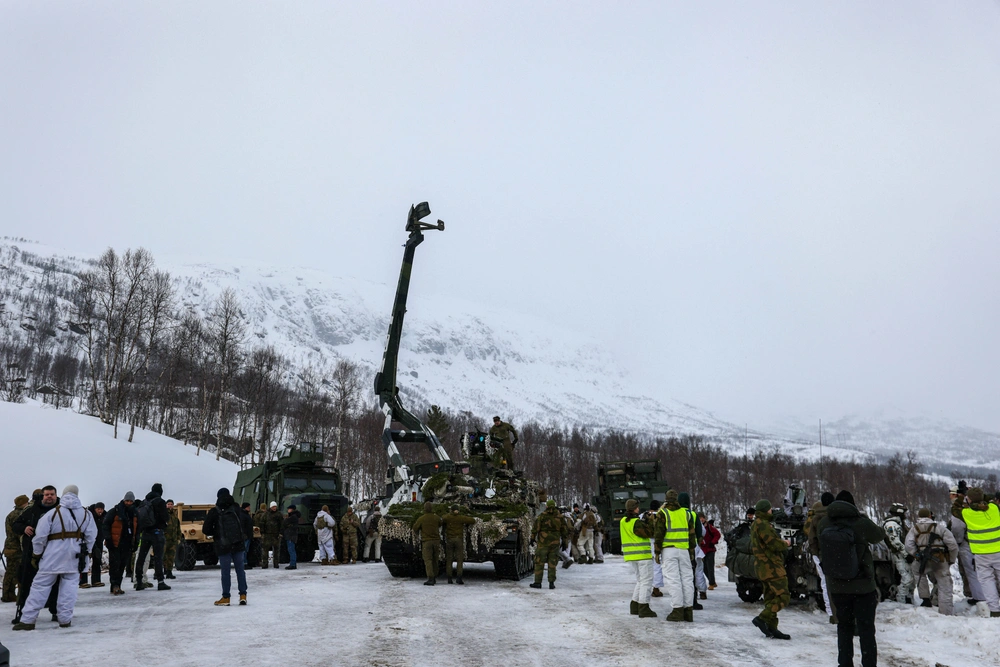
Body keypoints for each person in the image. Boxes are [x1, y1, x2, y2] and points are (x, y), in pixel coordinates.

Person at [13, 485, 98, 630]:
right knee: (69, 589)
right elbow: (91, 536)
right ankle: (64, 619)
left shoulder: (52, 514)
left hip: (51, 557)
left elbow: (39, 538)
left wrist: (37, 554)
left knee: (39, 587)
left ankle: (28, 620)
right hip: (75, 557)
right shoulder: (86, 514)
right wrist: (86, 552)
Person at [818, 490, 885, 667]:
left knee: (844, 627)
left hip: (837, 586)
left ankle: (844, 663)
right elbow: (879, 535)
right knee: (866, 629)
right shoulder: (860, 523)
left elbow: (820, 548)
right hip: (863, 586)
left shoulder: (823, 523)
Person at [12, 487, 60, 624]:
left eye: (52, 494)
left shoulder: (62, 510)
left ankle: (56, 611)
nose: (49, 497)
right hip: (31, 553)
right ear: (42, 496)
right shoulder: (32, 511)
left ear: (56, 496)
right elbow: (16, 525)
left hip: (54, 554)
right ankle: (23, 612)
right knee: (27, 583)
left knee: (56, 584)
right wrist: (24, 528)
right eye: (46, 495)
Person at [203, 488, 253, 606]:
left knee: (225, 572)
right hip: (238, 544)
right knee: (240, 570)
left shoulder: (215, 511)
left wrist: (216, 533)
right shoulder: (237, 509)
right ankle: (243, 595)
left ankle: (226, 597)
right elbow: (246, 523)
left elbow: (206, 530)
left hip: (223, 545)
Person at [749, 499, 790, 639]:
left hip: (762, 567)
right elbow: (773, 544)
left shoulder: (756, 524)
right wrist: (785, 543)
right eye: (770, 509)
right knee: (783, 596)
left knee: (770, 597)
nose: (772, 511)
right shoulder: (763, 525)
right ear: (766, 510)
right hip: (772, 567)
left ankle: (772, 628)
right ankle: (762, 618)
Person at [905, 507, 957, 615]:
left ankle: (925, 599)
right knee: (944, 584)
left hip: (923, 560)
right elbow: (953, 545)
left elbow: (908, 545)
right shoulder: (940, 528)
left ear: (919, 517)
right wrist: (951, 560)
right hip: (940, 560)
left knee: (918, 573)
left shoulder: (914, 529)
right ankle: (946, 611)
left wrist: (917, 554)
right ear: (930, 516)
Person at [654, 489, 695, 622]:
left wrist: (657, 551)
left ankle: (677, 610)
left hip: (669, 550)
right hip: (684, 550)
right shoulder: (685, 513)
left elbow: (659, 534)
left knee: (673, 580)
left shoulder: (663, 513)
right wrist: (692, 551)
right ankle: (688, 611)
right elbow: (691, 534)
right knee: (687, 579)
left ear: (666, 499)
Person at [959, 487, 1000, 617]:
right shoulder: (994, 509)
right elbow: (989, 498)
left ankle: (994, 610)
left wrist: (963, 495)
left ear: (969, 500)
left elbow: (954, 509)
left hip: (981, 554)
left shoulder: (966, 513)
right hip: (998, 550)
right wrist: (978, 495)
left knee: (987, 581)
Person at [948, 486, 986, 607]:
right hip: (986, 543)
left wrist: (957, 543)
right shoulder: (987, 507)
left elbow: (957, 528)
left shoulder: (962, 509)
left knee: (971, 571)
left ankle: (978, 597)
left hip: (968, 543)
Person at [804, 491, 837, 622]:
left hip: (821, 554)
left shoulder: (815, 517)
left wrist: (815, 554)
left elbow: (811, 538)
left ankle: (831, 612)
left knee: (825, 583)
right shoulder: (836, 515)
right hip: (837, 553)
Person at [620, 499, 656, 617]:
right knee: (646, 581)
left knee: (640, 580)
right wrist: (650, 521)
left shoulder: (623, 521)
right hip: (642, 555)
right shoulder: (636, 522)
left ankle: (634, 605)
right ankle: (644, 607)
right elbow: (650, 533)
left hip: (631, 555)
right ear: (635, 508)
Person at [134, 483, 170, 591]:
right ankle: (160, 581)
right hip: (157, 532)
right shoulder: (160, 501)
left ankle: (139, 581)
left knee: (141, 557)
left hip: (145, 533)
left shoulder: (144, 502)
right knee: (158, 558)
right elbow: (165, 517)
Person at [103, 492, 137, 595]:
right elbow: (105, 525)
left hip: (126, 543)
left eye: (131, 501)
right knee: (115, 565)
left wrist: (135, 542)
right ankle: (115, 585)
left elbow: (137, 529)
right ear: (123, 500)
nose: (129, 503)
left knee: (122, 565)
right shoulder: (114, 511)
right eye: (127, 501)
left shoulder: (134, 514)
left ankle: (118, 585)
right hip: (115, 543)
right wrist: (108, 539)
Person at [530, 499, 567, 590]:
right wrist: (565, 542)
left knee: (539, 562)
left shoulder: (542, 516)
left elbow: (535, 528)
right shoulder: (560, 517)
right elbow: (564, 531)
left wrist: (532, 538)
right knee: (552, 563)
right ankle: (551, 583)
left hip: (543, 543)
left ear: (546, 506)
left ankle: (538, 582)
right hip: (555, 543)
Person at [881, 503, 914, 605]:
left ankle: (908, 599)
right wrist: (906, 554)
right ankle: (901, 600)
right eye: (904, 512)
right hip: (899, 556)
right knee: (907, 579)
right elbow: (895, 542)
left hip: (904, 555)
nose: (905, 514)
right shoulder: (891, 524)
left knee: (911, 580)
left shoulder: (899, 524)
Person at [2, 494, 29, 603]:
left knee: (9, 573)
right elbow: (19, 533)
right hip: (18, 548)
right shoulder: (21, 515)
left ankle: (7, 595)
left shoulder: (11, 514)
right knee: (19, 573)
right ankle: (17, 597)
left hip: (9, 547)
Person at [441, 504, 476, 584]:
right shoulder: (461, 518)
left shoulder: (447, 517)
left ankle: (449, 578)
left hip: (450, 540)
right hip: (458, 540)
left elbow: (441, 519)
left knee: (449, 559)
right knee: (459, 559)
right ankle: (459, 577)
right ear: (457, 510)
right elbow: (472, 520)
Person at [411, 502, 442, 585]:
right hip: (436, 541)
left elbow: (415, 528)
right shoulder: (436, 517)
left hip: (427, 541)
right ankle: (435, 576)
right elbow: (440, 524)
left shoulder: (422, 518)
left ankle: (430, 578)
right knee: (435, 559)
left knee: (428, 560)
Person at [79, 502, 106, 589]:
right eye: (98, 509)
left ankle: (96, 580)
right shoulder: (89, 516)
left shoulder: (104, 517)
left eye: (101, 509)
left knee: (97, 560)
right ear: (95, 509)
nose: (100, 511)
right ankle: (83, 581)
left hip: (99, 540)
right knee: (85, 560)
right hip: (88, 540)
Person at [698, 512, 720, 591]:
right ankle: (712, 581)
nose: (702, 519)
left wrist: (713, 542)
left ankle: (711, 583)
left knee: (710, 567)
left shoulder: (709, 527)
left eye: (702, 518)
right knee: (704, 568)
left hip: (710, 549)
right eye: (700, 518)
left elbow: (717, 534)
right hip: (702, 550)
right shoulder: (697, 527)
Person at [162, 500, 181, 579]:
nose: (170, 505)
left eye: (171, 504)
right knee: (162, 556)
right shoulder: (163, 515)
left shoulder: (175, 517)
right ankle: (159, 572)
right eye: (168, 504)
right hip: (164, 539)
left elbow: (178, 529)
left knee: (171, 557)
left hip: (172, 540)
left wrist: (178, 538)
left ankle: (169, 571)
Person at [648, 499, 663, 597]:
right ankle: (656, 588)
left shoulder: (642, 516)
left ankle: (644, 588)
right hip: (657, 543)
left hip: (645, 545)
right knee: (657, 566)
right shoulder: (661, 516)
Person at [261, 501, 283, 569]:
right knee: (265, 551)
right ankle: (265, 564)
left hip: (276, 535)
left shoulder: (279, 514)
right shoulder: (265, 514)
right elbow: (262, 523)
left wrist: (280, 532)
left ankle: (276, 564)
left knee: (276, 551)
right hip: (267, 535)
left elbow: (281, 524)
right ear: (270, 507)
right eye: (273, 507)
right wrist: (262, 532)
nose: (274, 508)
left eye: (275, 506)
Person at [282, 505, 301, 570]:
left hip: (291, 535)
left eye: (289, 509)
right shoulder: (294, 516)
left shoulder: (293, 517)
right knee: (291, 549)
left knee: (291, 550)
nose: (288, 510)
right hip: (291, 535)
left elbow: (284, 522)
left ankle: (293, 564)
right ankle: (293, 563)